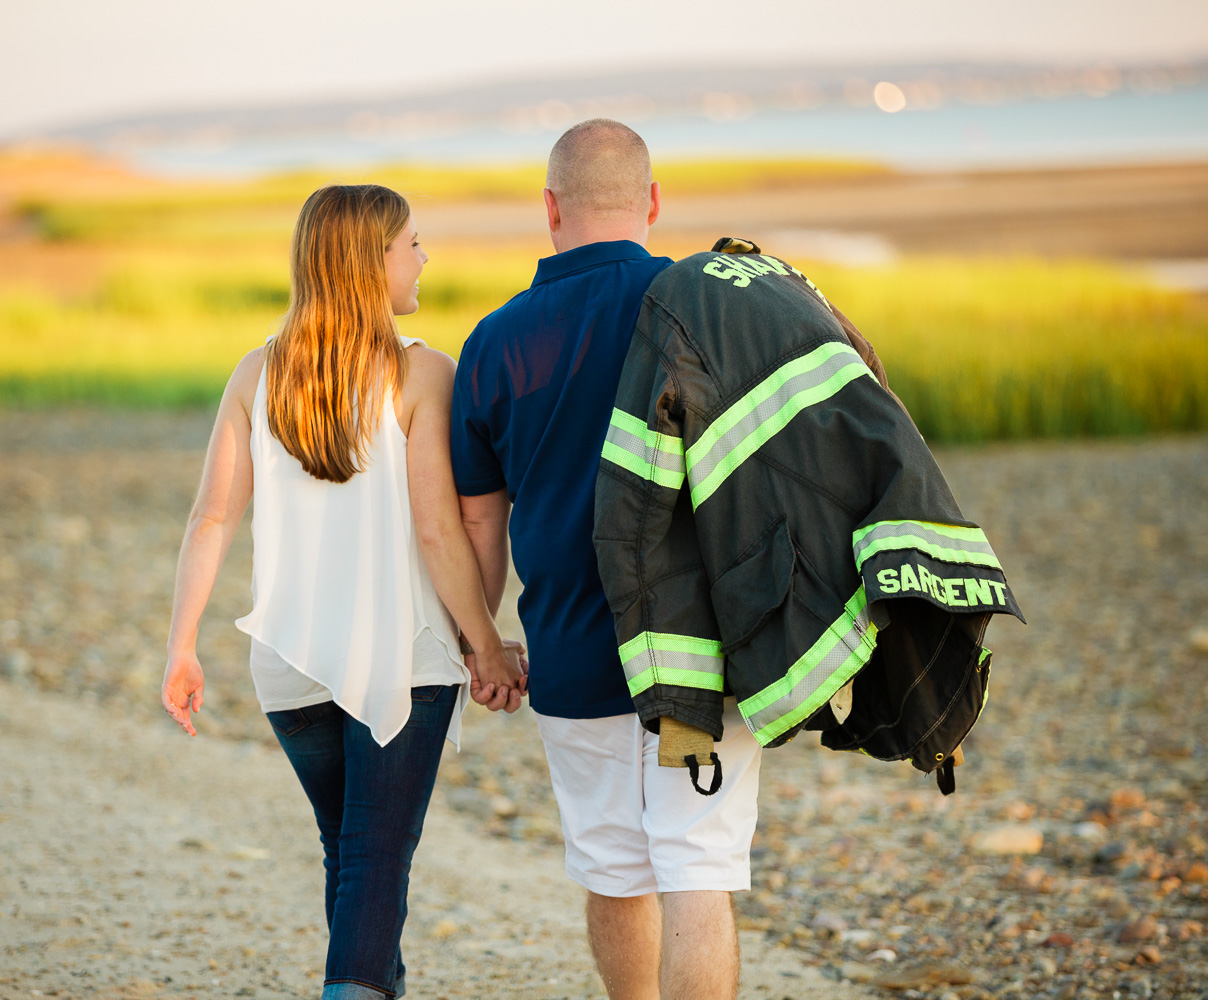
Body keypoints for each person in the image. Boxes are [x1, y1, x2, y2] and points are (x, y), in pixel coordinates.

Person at [160, 183, 526, 1000]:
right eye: (412, 244)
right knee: (374, 860)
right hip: (399, 660)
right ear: (371, 262)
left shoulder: (257, 373)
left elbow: (211, 517)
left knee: (353, 854)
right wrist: (486, 644)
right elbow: (442, 532)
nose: (424, 257)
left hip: (288, 667)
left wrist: (182, 647)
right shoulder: (423, 372)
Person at [450, 120, 761, 1000]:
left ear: (550, 209)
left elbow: (480, 526)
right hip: (701, 656)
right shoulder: (710, 308)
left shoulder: (496, 341)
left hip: (576, 659)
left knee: (615, 868)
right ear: (653, 202)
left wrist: (485, 646)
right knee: (697, 866)